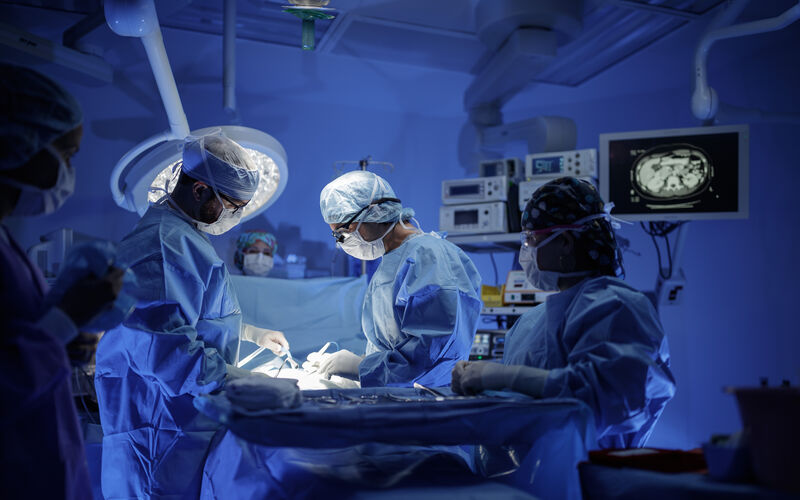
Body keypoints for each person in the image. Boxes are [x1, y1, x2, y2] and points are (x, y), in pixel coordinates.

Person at [94, 132, 289, 499]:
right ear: (199, 191)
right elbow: (165, 350)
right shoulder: (163, 245)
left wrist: (249, 333)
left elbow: (186, 316)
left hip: (178, 425)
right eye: (232, 205)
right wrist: (241, 381)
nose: (236, 216)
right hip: (156, 433)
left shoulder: (184, 238)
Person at [451, 177, 676, 449]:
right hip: (521, 473)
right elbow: (522, 405)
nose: (526, 251)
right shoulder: (531, 321)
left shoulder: (618, 306)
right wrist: (477, 382)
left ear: (566, 241)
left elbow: (602, 402)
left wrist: (500, 376)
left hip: (585, 477)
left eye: (531, 238)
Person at [0, 64, 124, 499]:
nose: (70, 169)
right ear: (18, 142)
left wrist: (64, 341)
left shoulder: (7, 241)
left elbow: (19, 340)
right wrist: (65, 320)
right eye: (66, 154)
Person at [318, 170, 482, 387]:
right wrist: (364, 369)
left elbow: (432, 350)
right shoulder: (392, 260)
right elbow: (390, 345)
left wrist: (361, 367)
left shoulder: (429, 256)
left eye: (341, 232)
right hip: (397, 392)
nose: (342, 242)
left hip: (428, 398)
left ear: (373, 212)